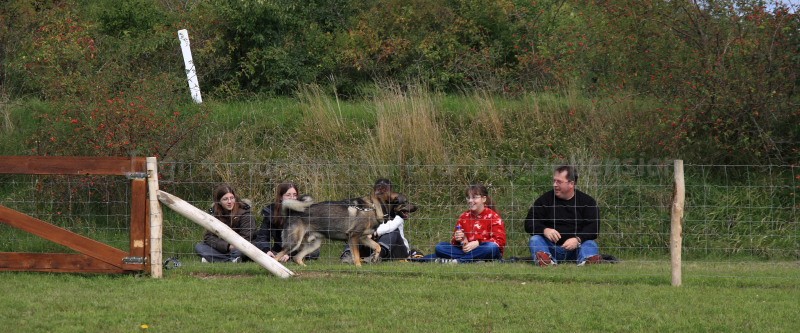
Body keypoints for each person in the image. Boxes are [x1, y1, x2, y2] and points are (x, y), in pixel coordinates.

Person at [525, 165, 602, 267]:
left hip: (577, 249)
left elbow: (594, 227)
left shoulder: (587, 202)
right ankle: (547, 261)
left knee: (590, 244)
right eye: (554, 181)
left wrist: (578, 239)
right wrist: (545, 230)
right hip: (552, 247)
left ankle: (586, 261)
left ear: (571, 184)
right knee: (535, 239)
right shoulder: (545, 200)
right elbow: (529, 222)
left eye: (559, 182)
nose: (554, 185)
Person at [340, 178, 423, 263]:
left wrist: (371, 233)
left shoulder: (397, 205)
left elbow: (390, 226)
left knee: (393, 231)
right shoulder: (368, 206)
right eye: (379, 190)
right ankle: (348, 255)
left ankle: (377, 256)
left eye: (385, 190)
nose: (381, 193)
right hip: (371, 245)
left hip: (396, 249)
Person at [423, 183, 506, 263]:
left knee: (491, 247)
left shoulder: (493, 217)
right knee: (440, 247)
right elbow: (454, 243)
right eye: (468, 197)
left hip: (485, 250)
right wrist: (460, 239)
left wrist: (478, 243)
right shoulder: (464, 216)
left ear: (483, 199)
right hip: (466, 252)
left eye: (474, 197)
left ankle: (458, 261)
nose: (470, 200)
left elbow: (499, 243)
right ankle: (474, 260)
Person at [254, 181, 319, 262]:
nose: (292, 198)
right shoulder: (271, 212)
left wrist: (289, 254)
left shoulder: (304, 213)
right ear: (281, 197)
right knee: (254, 246)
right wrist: (266, 250)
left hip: (297, 248)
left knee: (314, 252)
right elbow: (262, 237)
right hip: (278, 249)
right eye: (288, 195)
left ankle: (292, 258)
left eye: (294, 195)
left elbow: (307, 240)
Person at [194, 183, 257, 263]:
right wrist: (227, 246)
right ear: (219, 201)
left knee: (241, 250)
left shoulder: (245, 213)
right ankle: (231, 260)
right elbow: (209, 237)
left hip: (242, 246)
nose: (229, 202)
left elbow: (247, 236)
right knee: (200, 247)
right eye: (225, 199)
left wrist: (235, 246)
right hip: (224, 248)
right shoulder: (214, 214)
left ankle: (216, 258)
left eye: (232, 198)